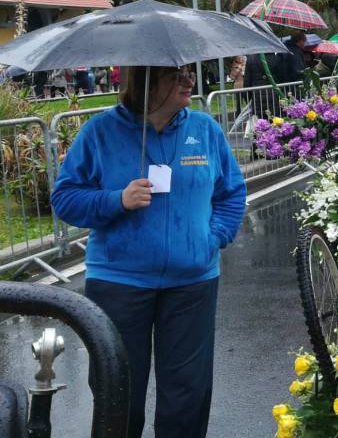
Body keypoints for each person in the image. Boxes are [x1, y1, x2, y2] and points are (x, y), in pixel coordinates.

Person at [51, 65, 246, 438]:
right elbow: (65, 198)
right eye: (177, 75)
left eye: (189, 74)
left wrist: (213, 237)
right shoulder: (100, 132)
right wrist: (117, 200)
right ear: (146, 82)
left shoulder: (205, 130)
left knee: (187, 395)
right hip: (119, 282)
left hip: (193, 282)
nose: (190, 81)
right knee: (118, 392)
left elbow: (232, 192)